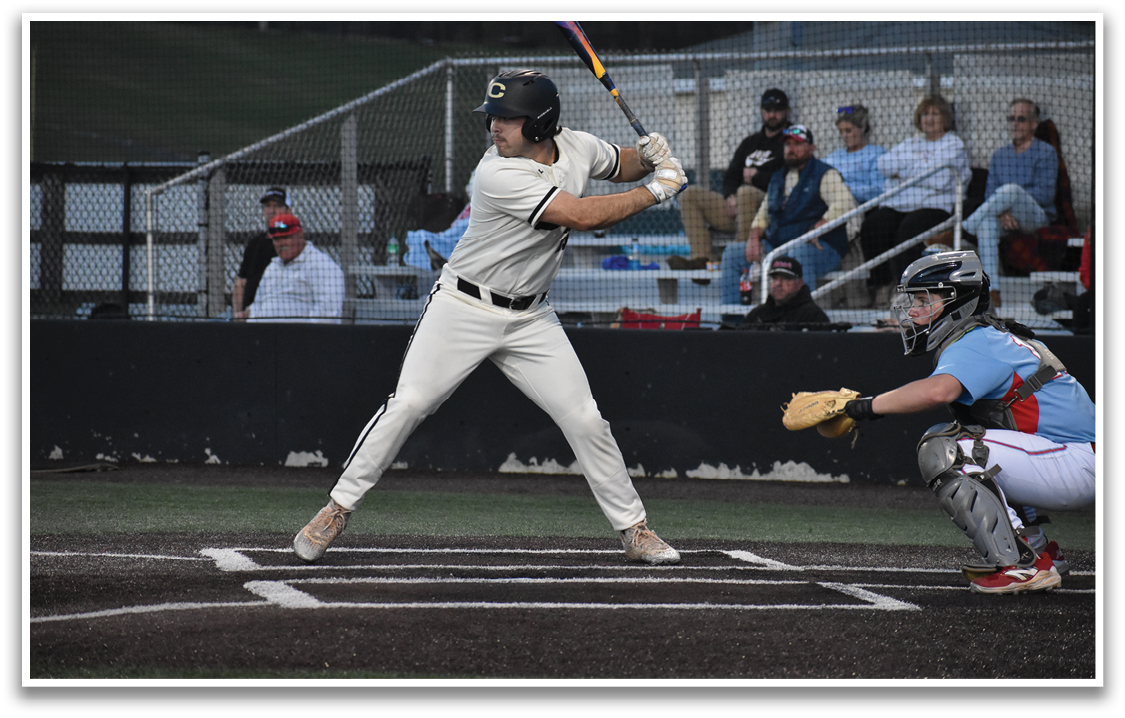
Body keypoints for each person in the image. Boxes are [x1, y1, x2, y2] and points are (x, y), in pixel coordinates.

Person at [292, 69, 687, 566]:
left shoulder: (579, 146)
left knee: (586, 419)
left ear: (541, 123)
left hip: (532, 318)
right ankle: (337, 508)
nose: (495, 127)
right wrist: (660, 189)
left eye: (507, 118)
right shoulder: (496, 173)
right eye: (493, 117)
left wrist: (650, 156)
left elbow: (621, 165)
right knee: (410, 403)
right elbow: (583, 215)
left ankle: (634, 530)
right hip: (463, 307)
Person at [842, 250, 1094, 594]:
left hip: (1077, 461)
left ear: (954, 300)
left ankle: (1021, 566)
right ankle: (1036, 549)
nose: (913, 310)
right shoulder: (990, 335)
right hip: (1074, 456)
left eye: (922, 299)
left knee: (948, 450)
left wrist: (867, 406)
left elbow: (937, 392)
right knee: (980, 443)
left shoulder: (976, 340)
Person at [720, 125, 859, 303]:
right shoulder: (778, 177)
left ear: (811, 147)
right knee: (732, 254)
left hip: (820, 248)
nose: (791, 149)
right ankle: (732, 321)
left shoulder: (824, 173)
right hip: (779, 246)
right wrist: (753, 238)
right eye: (787, 145)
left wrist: (819, 227)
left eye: (797, 144)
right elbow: (763, 214)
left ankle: (801, 320)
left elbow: (845, 203)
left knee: (798, 255)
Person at [859, 96, 971, 307]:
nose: (929, 119)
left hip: (935, 205)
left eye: (935, 114)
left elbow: (940, 179)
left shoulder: (953, 143)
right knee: (873, 225)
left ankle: (907, 291)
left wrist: (905, 172)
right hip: (900, 203)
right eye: (925, 114)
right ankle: (882, 285)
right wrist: (922, 169)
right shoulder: (911, 142)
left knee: (908, 231)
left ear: (945, 118)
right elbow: (883, 165)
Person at [670, 88, 792, 269]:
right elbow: (731, 176)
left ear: (786, 112)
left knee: (745, 192)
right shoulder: (750, 142)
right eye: (767, 110)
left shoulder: (791, 142)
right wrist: (730, 197)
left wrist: (757, 177)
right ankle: (702, 260)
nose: (772, 115)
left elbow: (787, 180)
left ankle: (741, 259)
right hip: (738, 209)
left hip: (768, 213)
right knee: (689, 194)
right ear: (761, 111)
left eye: (777, 110)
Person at [962, 99, 1058, 308]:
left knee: (1011, 189)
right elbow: (990, 194)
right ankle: (992, 290)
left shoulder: (1046, 153)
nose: (1015, 124)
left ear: (1034, 123)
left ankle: (965, 227)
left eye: (1021, 119)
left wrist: (1010, 202)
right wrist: (1002, 212)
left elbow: (1044, 194)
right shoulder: (999, 155)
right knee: (987, 224)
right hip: (1003, 216)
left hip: (1036, 216)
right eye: (1012, 119)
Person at [247, 213, 345, 324]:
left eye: (286, 237)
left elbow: (328, 313)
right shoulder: (272, 267)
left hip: (301, 338)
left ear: (300, 235)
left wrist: (302, 336)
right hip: (264, 337)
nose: (281, 243)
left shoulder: (321, 265)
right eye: (277, 239)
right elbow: (257, 304)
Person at [233, 187, 288, 320]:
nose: (272, 211)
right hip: (247, 313)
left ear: (287, 210)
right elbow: (241, 282)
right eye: (268, 206)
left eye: (277, 206)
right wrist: (237, 314)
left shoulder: (290, 244)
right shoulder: (254, 243)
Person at [738, 255, 830, 328]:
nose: (778, 283)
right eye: (774, 278)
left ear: (799, 283)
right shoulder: (757, 314)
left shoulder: (812, 316)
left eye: (786, 278)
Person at [823, 105, 887, 207]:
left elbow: (879, 190)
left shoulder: (875, 154)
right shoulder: (833, 157)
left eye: (848, 131)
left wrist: (846, 189)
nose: (844, 136)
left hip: (861, 208)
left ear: (862, 127)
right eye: (841, 132)